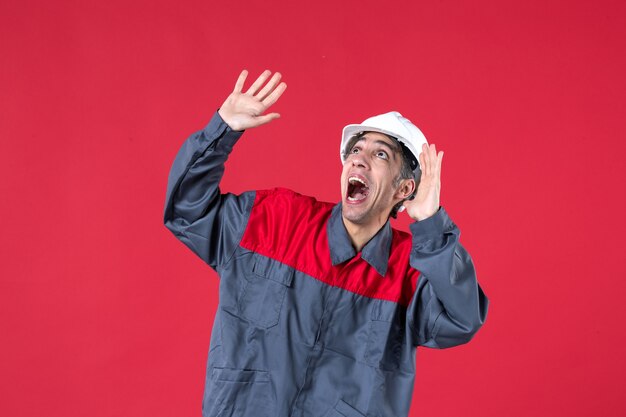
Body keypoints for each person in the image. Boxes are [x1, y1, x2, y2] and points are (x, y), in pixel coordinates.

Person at [163, 69, 489, 417]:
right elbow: (187, 210)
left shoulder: (411, 273)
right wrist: (222, 129)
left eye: (381, 155)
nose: (359, 158)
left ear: (404, 189)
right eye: (356, 149)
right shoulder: (274, 219)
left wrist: (430, 223)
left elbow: (462, 319)